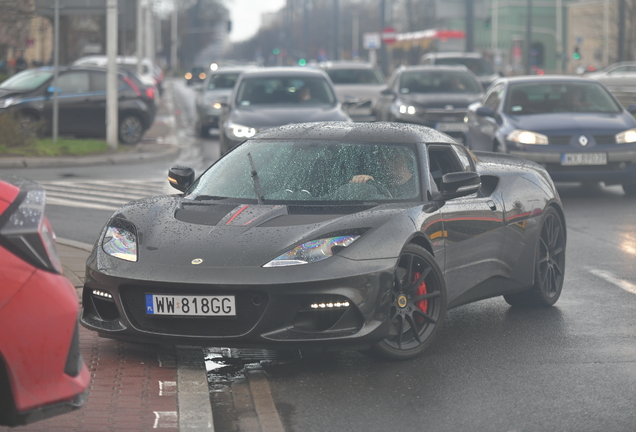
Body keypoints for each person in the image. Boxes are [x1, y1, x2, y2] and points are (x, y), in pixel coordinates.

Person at [350, 149, 417, 198]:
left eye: (391, 156)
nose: (386, 161)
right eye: (381, 157)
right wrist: (368, 183)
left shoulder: (418, 188)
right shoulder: (380, 184)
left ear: (406, 156)